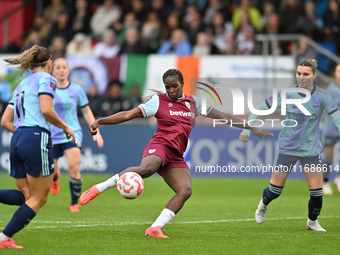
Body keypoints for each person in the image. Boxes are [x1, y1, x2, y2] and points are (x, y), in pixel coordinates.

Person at [79, 68, 273, 238]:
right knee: (147, 168)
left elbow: (223, 116)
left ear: (182, 84)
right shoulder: (157, 101)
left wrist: (251, 128)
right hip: (160, 145)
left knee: (185, 190)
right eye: (167, 87)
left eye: (175, 86)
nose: (171, 91)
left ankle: (155, 227)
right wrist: (101, 121)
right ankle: (100, 187)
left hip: (175, 155)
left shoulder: (193, 103)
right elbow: (128, 114)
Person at [239, 59, 340, 232]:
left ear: (314, 76)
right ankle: (263, 203)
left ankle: (312, 222)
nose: (301, 77)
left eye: (305, 74)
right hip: (287, 149)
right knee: (275, 191)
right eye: (299, 73)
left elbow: (336, 116)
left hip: (310, 151)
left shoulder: (322, 96)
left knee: (317, 194)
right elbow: (261, 108)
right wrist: (247, 130)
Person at [0, 45, 75, 248]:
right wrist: (66, 127)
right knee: (39, 198)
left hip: (18, 138)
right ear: (49, 62)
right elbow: (46, 109)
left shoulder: (22, 83)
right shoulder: (47, 79)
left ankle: (4, 239)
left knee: (27, 196)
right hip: (35, 136)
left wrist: (24, 137)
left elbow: (5, 121)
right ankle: (3, 239)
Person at [50, 58, 104, 212]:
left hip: (73, 132)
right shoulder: (48, 90)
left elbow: (86, 111)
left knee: (74, 167)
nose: (61, 70)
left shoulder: (77, 90)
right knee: (50, 170)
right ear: (53, 71)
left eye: (64, 67)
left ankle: (74, 202)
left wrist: (95, 131)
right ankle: (55, 177)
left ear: (68, 71)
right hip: (53, 134)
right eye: (58, 68)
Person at [322, 64, 340, 195]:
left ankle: (338, 178)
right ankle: (325, 182)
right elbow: (324, 108)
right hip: (331, 128)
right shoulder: (330, 89)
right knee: (328, 156)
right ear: (335, 73)